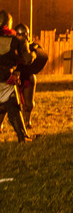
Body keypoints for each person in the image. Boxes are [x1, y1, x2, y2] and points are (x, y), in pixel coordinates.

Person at [0, 11, 34, 142]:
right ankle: (22, 137)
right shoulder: (17, 41)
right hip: (5, 79)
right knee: (14, 108)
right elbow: (28, 59)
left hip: (5, 78)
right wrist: (34, 54)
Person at [12, 22, 47, 131]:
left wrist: (34, 54)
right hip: (11, 77)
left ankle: (27, 121)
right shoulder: (10, 46)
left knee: (28, 104)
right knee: (5, 104)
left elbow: (43, 55)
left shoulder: (33, 46)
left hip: (26, 76)